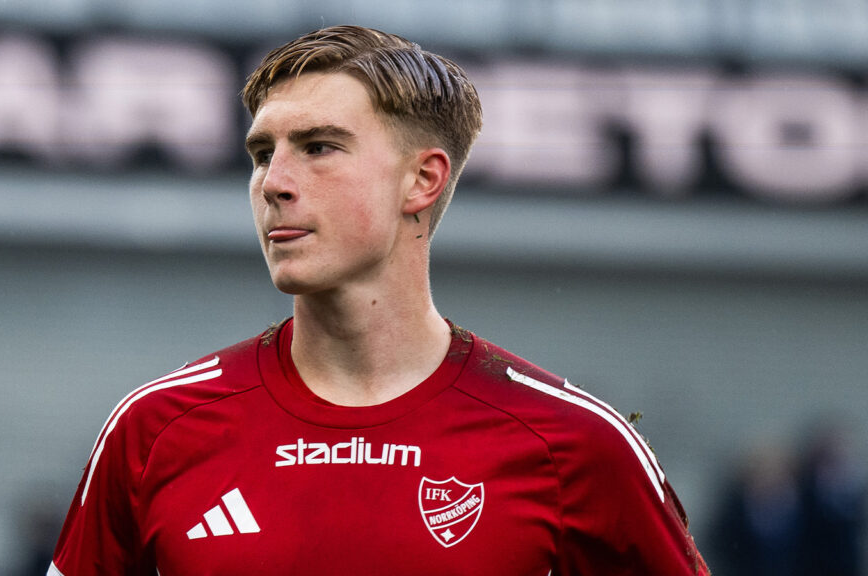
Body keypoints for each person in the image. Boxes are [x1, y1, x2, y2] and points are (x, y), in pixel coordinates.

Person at [48, 25, 709, 575]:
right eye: (262, 153)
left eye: (318, 147)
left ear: (422, 179)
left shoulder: (576, 445)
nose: (273, 182)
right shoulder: (154, 429)